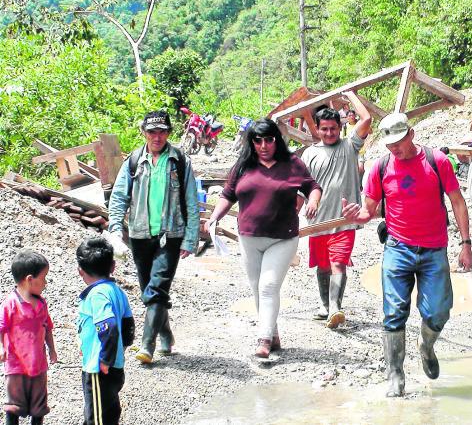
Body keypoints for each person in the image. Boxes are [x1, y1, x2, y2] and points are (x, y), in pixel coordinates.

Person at [342, 112, 472, 397]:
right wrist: (359, 215)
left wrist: (465, 244)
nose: (395, 149)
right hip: (397, 249)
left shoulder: (437, 161)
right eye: (389, 145)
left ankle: (426, 346)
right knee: (394, 313)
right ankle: (396, 376)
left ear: (411, 134)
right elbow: (370, 209)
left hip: (434, 249)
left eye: (399, 142)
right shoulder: (379, 168)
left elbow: (458, 203)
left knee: (439, 312)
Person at [205, 119, 322, 359]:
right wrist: (214, 218)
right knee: (257, 289)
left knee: (269, 286)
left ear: (276, 140)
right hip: (249, 237)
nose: (264, 145)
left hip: (283, 238)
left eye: (269, 139)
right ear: (252, 142)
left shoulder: (292, 164)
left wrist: (313, 201)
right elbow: (227, 196)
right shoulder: (243, 166)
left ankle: (264, 340)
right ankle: (273, 333)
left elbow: (313, 186)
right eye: (258, 140)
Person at [107, 110, 200, 364]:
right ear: (144, 133)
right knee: (149, 289)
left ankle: (147, 344)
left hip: (170, 235)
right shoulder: (134, 161)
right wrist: (115, 229)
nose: (157, 137)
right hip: (139, 236)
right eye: (152, 132)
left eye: (162, 132)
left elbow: (191, 201)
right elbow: (118, 197)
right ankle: (166, 335)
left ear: (169, 133)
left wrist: (190, 239)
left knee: (157, 288)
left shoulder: (180, 160)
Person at [301, 92, 371, 328]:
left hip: (344, 220)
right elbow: (302, 189)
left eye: (333, 129)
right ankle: (325, 305)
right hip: (318, 221)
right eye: (325, 129)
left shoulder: (350, 146)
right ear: (318, 129)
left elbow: (367, 119)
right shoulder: (309, 154)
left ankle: (335, 308)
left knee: (338, 263)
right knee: (322, 266)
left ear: (340, 128)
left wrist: (351, 95)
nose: (330, 133)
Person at [76, 237, 134, 425]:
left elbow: (108, 326)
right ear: (113, 266)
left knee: (96, 417)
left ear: (80, 271)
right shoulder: (116, 291)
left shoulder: (97, 295)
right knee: (109, 410)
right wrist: (119, 351)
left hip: (98, 368)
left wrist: (105, 360)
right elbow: (128, 325)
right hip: (115, 365)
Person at [0, 250, 57, 425]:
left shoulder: (41, 303)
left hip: (38, 365)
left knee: (39, 406)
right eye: (43, 278)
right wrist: (1, 348)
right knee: (14, 406)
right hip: (16, 365)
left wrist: (52, 350)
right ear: (30, 279)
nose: (46, 283)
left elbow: (47, 328)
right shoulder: (10, 303)